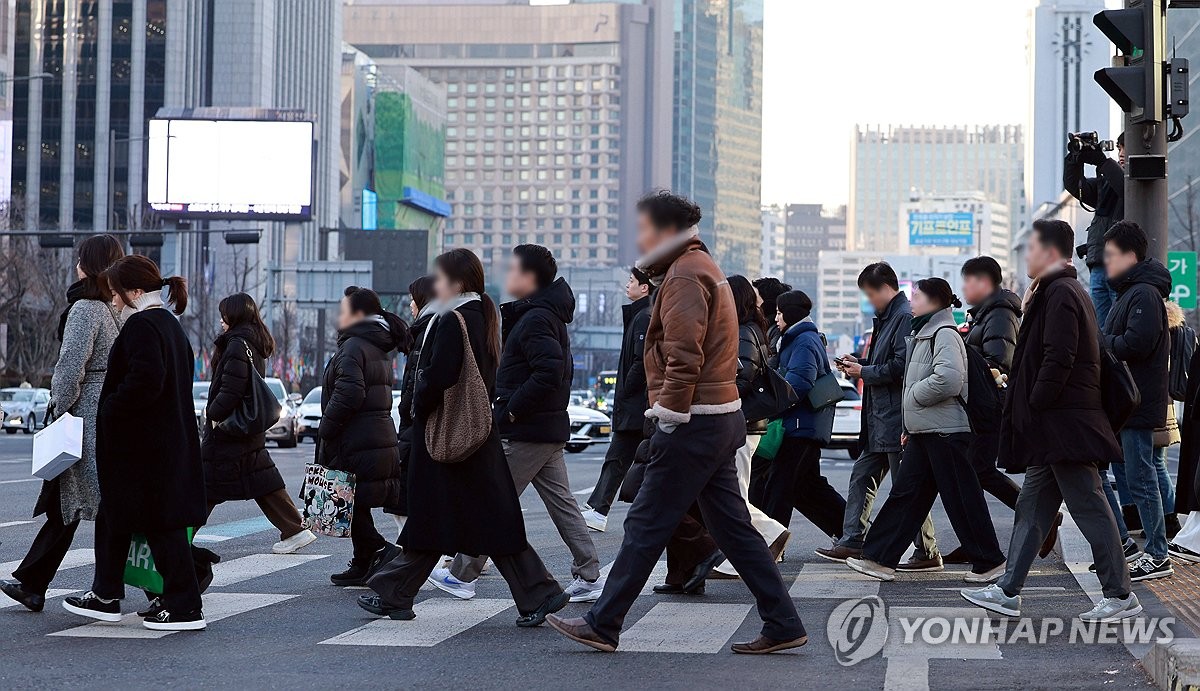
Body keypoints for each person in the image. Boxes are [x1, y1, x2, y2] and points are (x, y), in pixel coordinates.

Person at [546, 190, 807, 655]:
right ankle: (784, 623)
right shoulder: (699, 267)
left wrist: (668, 414)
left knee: (646, 523)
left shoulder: (685, 276)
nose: (640, 237)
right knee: (733, 530)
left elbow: (684, 355)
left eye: (645, 228)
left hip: (694, 420)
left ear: (665, 231)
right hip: (718, 415)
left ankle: (604, 622)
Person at [359, 248, 568, 626]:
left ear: (456, 282)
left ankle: (397, 592)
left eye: (439, 278)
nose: (435, 285)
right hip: (474, 435)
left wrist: (417, 406)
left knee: (445, 516)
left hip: (448, 435)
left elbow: (438, 376)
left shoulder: (453, 319)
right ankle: (398, 592)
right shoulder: (482, 314)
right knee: (472, 519)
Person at [961, 218, 1141, 622]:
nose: (1026, 255)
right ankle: (1008, 589)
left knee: (1090, 506)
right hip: (1055, 427)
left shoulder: (1061, 293)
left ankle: (1119, 593)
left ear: (1051, 252)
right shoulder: (1052, 293)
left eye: (1032, 247)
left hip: (1065, 425)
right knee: (1032, 507)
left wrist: (1035, 403)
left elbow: (1059, 357)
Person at [429, 245, 603, 604]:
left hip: (528, 429)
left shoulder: (537, 318)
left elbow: (549, 371)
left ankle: (462, 575)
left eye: (512, 270)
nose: (507, 277)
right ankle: (589, 574)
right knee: (563, 504)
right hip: (545, 428)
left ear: (529, 277)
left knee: (491, 499)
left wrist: (511, 410)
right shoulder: (541, 314)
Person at [62, 256, 207, 631]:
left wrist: (111, 408)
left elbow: (146, 380)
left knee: (161, 526)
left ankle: (185, 607)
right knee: (116, 516)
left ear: (136, 292)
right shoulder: (170, 326)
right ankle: (106, 594)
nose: (113, 300)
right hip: (159, 444)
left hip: (144, 449)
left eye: (116, 293)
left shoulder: (143, 326)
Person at [846, 278, 1005, 584]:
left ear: (932, 301)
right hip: (927, 430)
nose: (912, 301)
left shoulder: (943, 333)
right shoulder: (925, 332)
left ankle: (990, 562)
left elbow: (949, 379)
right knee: (906, 496)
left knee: (961, 497)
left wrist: (914, 397)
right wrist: (910, 424)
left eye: (917, 296)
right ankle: (879, 559)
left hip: (946, 430)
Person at [0, 235, 124, 612]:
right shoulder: (111, 309)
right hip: (100, 414)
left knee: (101, 506)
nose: (75, 266)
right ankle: (32, 582)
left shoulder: (86, 308)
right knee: (66, 502)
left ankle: (181, 571)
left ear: (91, 265)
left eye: (80, 260)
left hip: (82, 417)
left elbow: (70, 366)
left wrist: (59, 405)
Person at [817, 262, 940, 571]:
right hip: (879, 419)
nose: (869, 300)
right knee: (862, 478)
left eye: (871, 294)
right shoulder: (888, 317)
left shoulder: (900, 317)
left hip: (895, 418)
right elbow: (886, 362)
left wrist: (865, 371)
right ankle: (854, 539)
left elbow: (902, 366)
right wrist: (859, 363)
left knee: (905, 487)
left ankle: (927, 551)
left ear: (887, 288)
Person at [201, 293, 316, 556]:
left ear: (235, 315)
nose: (221, 321)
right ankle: (295, 529)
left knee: (204, 485)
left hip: (230, 431)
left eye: (224, 315)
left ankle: (177, 539)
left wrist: (213, 413)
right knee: (261, 481)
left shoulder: (237, 345)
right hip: (244, 430)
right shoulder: (252, 342)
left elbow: (231, 388)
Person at [318, 286, 410, 586]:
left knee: (348, 497)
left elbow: (350, 392)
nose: (339, 316)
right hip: (371, 436)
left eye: (343, 310)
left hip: (356, 439)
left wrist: (326, 427)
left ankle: (380, 549)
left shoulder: (355, 345)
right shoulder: (371, 345)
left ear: (357, 315)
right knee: (351, 499)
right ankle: (363, 560)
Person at [941, 256, 1029, 564]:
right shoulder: (983, 315)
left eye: (968, 280)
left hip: (989, 407)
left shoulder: (1000, 314)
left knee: (977, 470)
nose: (964, 286)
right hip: (978, 407)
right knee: (972, 472)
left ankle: (1035, 516)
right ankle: (975, 540)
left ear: (984, 282)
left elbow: (997, 361)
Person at [1100, 220, 1173, 582]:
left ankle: (1157, 553)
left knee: (1141, 477)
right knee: (1133, 474)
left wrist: (1103, 343)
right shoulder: (1133, 291)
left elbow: (1136, 344)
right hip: (1131, 400)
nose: (1106, 262)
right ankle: (1147, 549)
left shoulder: (1142, 293)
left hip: (1137, 400)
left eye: (1111, 255)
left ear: (1130, 256)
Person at [709, 275, 791, 577]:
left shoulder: (743, 332)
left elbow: (741, 380)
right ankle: (760, 542)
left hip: (744, 423)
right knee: (732, 493)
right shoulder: (748, 329)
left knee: (735, 495)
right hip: (743, 423)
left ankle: (768, 535)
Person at [760, 289, 845, 538]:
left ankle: (769, 540)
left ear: (790, 313)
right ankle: (855, 534)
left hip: (800, 426)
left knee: (779, 484)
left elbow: (799, 383)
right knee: (808, 488)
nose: (775, 318)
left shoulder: (803, 340)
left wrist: (771, 405)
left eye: (778, 312)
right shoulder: (797, 338)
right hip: (803, 424)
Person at [582, 269, 652, 532]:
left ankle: (599, 509)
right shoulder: (640, 315)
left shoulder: (644, 317)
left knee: (620, 458)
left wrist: (624, 392)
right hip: (635, 405)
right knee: (618, 458)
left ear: (644, 288)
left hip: (636, 405)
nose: (627, 285)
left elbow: (641, 362)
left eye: (632, 281)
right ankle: (597, 506)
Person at [391, 275, 437, 539]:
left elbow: (418, 380)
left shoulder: (426, 331)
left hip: (416, 426)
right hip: (416, 424)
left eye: (412, 299)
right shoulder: (424, 329)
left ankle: (417, 555)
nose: (410, 305)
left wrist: (408, 410)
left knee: (407, 499)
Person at [1064, 132, 1125, 324]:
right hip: (1099, 263)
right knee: (1100, 329)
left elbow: (1126, 188)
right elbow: (1076, 186)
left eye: (1125, 147)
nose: (1121, 153)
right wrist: (1075, 159)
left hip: (1122, 266)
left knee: (1118, 324)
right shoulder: (1107, 181)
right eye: (1119, 148)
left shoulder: (1140, 182)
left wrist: (1102, 161)